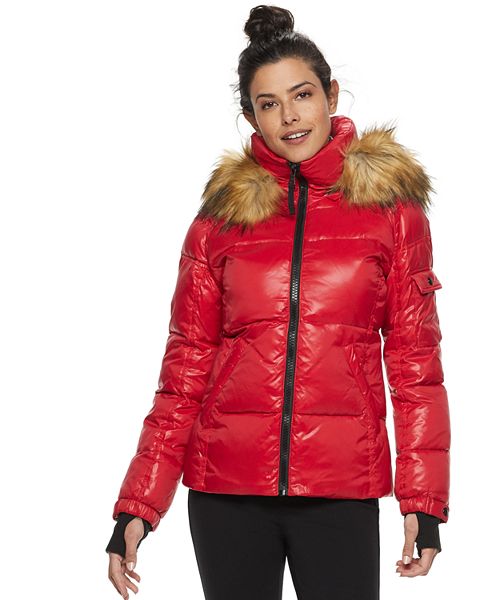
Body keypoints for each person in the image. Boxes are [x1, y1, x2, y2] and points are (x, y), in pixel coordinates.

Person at [106, 5, 450, 600]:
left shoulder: (393, 214)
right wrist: (138, 504)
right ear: (251, 117)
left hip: (341, 488)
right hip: (225, 492)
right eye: (269, 104)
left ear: (331, 95)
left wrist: (423, 499)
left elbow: (416, 367)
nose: (289, 116)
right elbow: (184, 370)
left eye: (302, 95)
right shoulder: (219, 222)